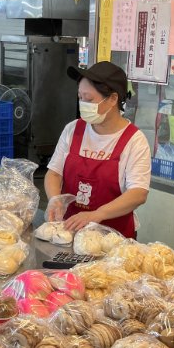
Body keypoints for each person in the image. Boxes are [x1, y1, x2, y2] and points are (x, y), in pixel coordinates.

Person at [45, 61, 151, 238]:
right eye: (80, 97)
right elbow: (54, 173)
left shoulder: (134, 140)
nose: (83, 104)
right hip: (70, 232)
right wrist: (55, 199)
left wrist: (96, 215)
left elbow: (138, 193)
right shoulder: (73, 130)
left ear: (112, 99)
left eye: (89, 99)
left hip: (113, 239)